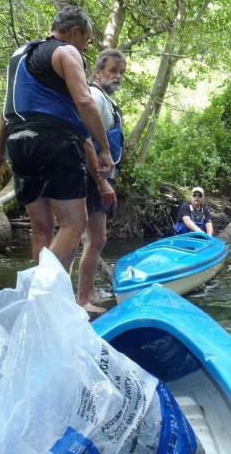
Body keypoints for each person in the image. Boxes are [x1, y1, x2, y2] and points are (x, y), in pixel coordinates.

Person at [0, 6, 114, 272]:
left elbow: (5, 112)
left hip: (19, 143)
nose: (86, 48)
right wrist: (105, 150)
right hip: (55, 142)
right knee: (74, 224)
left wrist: (0, 152)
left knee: (41, 230)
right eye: (86, 40)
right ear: (74, 32)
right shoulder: (66, 51)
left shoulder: (20, 56)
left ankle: (42, 303)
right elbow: (85, 101)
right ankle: (39, 297)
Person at [77, 49, 126, 313]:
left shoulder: (105, 99)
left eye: (121, 72)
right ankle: (83, 299)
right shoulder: (95, 96)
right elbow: (85, 138)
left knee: (93, 238)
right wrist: (101, 181)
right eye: (112, 71)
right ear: (97, 73)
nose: (118, 76)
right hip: (92, 176)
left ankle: (87, 295)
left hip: (97, 176)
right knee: (95, 238)